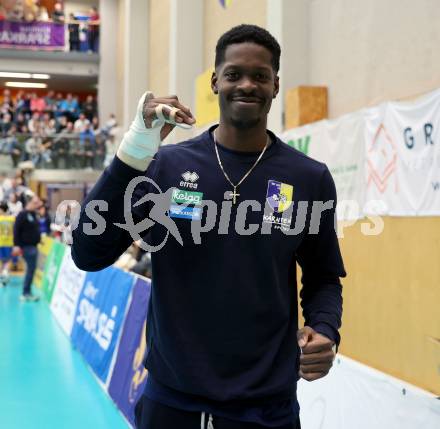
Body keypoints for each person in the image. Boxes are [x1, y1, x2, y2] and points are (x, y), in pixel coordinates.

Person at [72, 25, 345, 429]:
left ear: (275, 85)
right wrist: (133, 153)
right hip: (172, 405)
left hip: (267, 409)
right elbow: (88, 253)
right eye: (234, 74)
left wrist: (325, 328)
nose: (247, 85)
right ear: (216, 81)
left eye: (260, 76)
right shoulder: (166, 167)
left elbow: (324, 276)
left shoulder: (307, 177)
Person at [13, 194, 41, 302]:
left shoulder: (34, 214)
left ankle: (27, 291)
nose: (37, 205)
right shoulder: (22, 214)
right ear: (29, 203)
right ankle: (26, 292)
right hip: (27, 247)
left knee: (31, 269)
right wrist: (16, 245)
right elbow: (16, 230)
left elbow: (34, 229)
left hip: (33, 246)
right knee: (30, 269)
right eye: (35, 202)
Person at [0, 201, 14, 287]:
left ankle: (3, 277)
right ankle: (5, 275)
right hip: (9, 243)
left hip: (1, 243)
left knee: (2, 261)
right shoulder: (12, 219)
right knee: (8, 260)